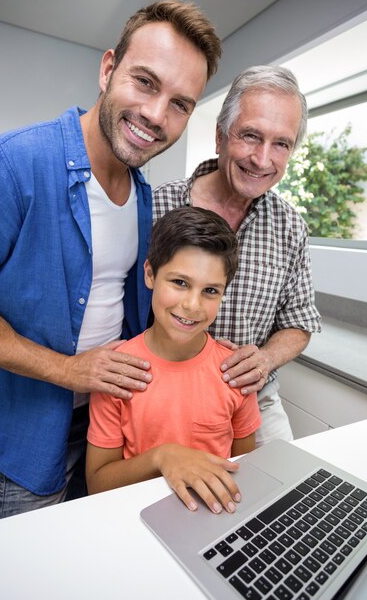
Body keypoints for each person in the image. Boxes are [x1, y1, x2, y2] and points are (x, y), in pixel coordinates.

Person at [0, 0, 222, 519]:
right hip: (35, 422)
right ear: (108, 69)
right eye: (145, 82)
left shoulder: (142, 191)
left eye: (179, 103)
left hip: (112, 419)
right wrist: (69, 370)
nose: (155, 115)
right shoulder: (10, 165)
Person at [153, 66, 322, 447]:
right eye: (250, 136)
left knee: (285, 493)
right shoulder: (154, 205)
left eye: (281, 144)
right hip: (162, 385)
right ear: (219, 136)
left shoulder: (290, 227)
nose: (262, 160)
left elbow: (299, 322)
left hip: (251, 394)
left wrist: (264, 360)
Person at [86, 206, 261, 514]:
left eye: (210, 291)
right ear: (150, 274)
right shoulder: (118, 369)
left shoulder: (234, 371)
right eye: (179, 282)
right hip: (134, 516)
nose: (192, 304)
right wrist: (162, 457)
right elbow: (97, 484)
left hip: (214, 518)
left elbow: (245, 468)